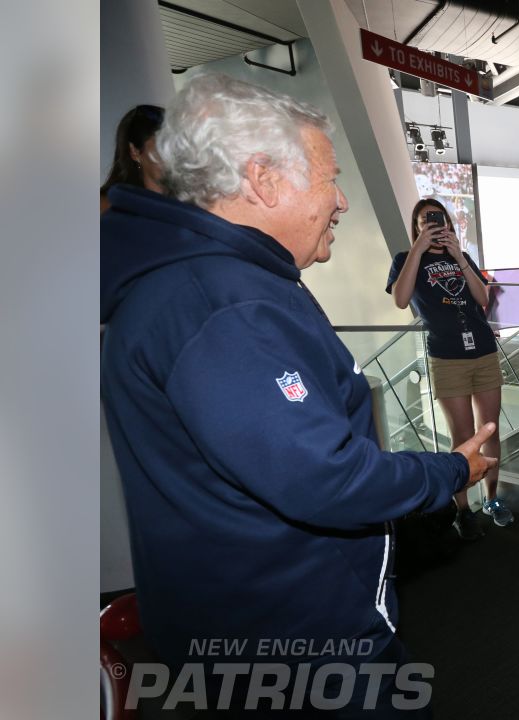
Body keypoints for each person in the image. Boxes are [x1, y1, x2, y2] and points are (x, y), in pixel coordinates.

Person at [101, 74, 494, 717]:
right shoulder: (223, 305)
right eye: (328, 177)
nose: (340, 199)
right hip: (292, 649)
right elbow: (324, 477)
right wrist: (454, 469)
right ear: (264, 179)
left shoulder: (202, 284)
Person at [388, 198, 509, 540]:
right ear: (416, 227)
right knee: (463, 437)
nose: (433, 226)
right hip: (447, 357)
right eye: (425, 221)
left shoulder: (462, 256)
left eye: (438, 220)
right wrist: (418, 250)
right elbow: (400, 299)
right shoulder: (406, 259)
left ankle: (492, 498)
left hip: (483, 350)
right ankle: (463, 509)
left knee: (491, 430)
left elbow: (482, 298)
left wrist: (458, 257)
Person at [100, 103, 165, 212]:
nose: (172, 157)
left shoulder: (189, 202)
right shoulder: (106, 206)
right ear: (134, 151)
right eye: (161, 148)